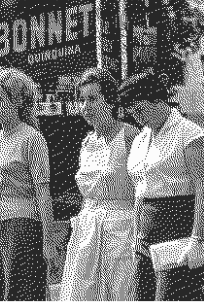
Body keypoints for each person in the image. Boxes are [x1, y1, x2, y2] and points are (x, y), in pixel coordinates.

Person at [119, 72, 204, 302]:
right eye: (133, 113)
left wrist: (197, 240)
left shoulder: (191, 135)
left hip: (177, 229)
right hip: (145, 235)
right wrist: (135, 238)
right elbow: (139, 192)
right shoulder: (141, 140)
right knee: (139, 296)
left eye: (140, 110)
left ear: (157, 99)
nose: (138, 117)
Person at [0, 66, 53, 302]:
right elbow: (6, 181)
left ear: (17, 101)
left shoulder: (32, 138)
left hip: (24, 225)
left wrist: (48, 241)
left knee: (20, 294)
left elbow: (42, 192)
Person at [59, 68, 139, 301]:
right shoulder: (87, 142)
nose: (86, 107)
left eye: (92, 99)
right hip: (88, 230)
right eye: (81, 100)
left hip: (122, 231)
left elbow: (143, 187)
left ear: (110, 100)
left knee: (120, 292)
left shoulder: (130, 136)